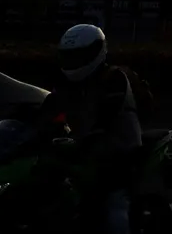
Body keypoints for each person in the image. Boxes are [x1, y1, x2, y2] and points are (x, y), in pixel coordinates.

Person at [46, 24, 143, 234]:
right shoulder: (65, 83)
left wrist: (86, 140)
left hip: (119, 151)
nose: (73, 61)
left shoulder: (114, 79)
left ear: (96, 52)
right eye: (69, 56)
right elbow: (49, 109)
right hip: (81, 152)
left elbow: (106, 118)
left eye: (79, 55)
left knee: (114, 209)